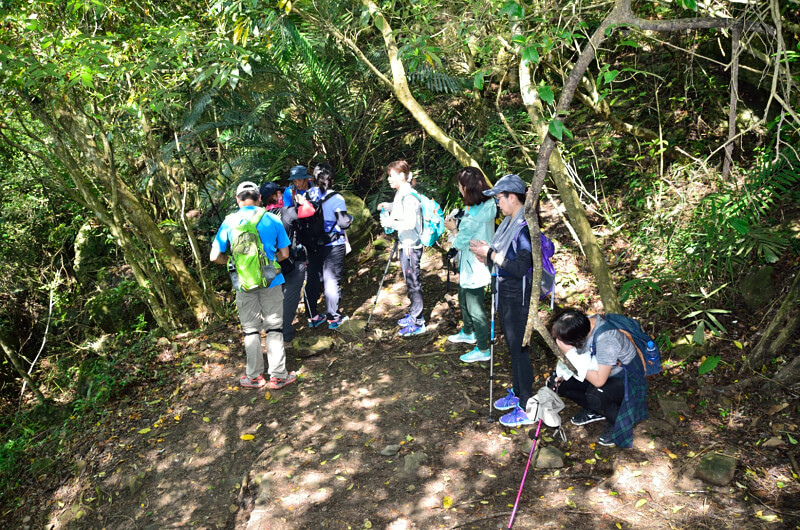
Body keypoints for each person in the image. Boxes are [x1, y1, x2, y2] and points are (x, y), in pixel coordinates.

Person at [210, 181, 297, 390]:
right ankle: (278, 376)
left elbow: (214, 257)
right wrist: (267, 262)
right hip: (271, 279)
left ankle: (255, 376)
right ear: (259, 199)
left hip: (243, 282)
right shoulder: (271, 218)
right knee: (274, 327)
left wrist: (234, 263)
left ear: (238, 200)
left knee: (251, 331)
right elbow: (285, 254)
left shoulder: (229, 222)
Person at [469, 174, 535, 427]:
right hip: (506, 292)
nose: (498, 203)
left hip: (517, 296)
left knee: (519, 350)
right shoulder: (509, 223)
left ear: (513, 197)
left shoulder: (524, 227)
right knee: (513, 348)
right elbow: (501, 258)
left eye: (499, 198)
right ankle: (518, 395)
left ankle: (527, 406)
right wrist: (486, 254)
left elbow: (519, 268)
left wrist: (491, 254)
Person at [548, 309, 648, 448]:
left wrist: (569, 354)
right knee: (560, 385)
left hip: (625, 377)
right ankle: (595, 412)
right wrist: (561, 374)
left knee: (595, 396)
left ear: (576, 339)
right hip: (600, 369)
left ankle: (617, 421)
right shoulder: (582, 325)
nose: (558, 342)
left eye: (562, 339)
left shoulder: (606, 339)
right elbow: (579, 359)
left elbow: (599, 380)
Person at [443, 167, 496, 362]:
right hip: (475, 262)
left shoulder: (474, 215)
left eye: (459, 185)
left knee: (475, 307)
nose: (458, 188)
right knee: (464, 297)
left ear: (466, 187)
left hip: (476, 264)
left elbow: (460, 241)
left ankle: (483, 349)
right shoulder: (485, 204)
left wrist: (453, 228)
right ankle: (468, 331)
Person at [377, 160, 426, 337]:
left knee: (414, 283)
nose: (389, 180)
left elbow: (411, 222)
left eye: (391, 176)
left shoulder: (409, 196)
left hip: (411, 246)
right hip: (405, 244)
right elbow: (400, 210)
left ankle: (418, 321)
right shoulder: (401, 193)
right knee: (409, 281)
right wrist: (387, 206)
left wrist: (391, 222)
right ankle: (414, 313)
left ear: (402, 176)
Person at [302, 163, 352, 329]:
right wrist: (350, 218)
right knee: (331, 280)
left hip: (313, 243)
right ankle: (333, 318)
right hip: (333, 244)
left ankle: (312, 316)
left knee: (313, 279)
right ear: (332, 178)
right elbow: (343, 223)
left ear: (314, 179)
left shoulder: (308, 195)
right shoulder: (336, 198)